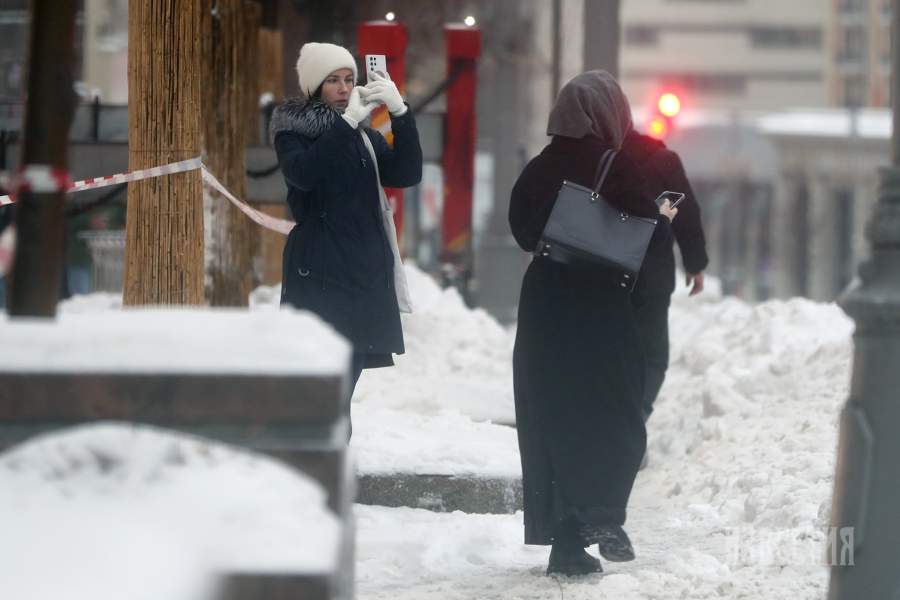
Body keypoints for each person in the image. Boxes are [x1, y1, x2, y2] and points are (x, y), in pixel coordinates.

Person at [509, 70, 679, 577]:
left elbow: (522, 231)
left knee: (553, 416)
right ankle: (601, 516)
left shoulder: (540, 166)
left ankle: (567, 546)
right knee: (613, 411)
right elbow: (643, 239)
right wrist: (661, 219)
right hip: (600, 304)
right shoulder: (617, 164)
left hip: (544, 303)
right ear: (609, 114)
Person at [270, 43, 422, 435]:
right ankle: (319, 460)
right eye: (333, 80)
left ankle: (332, 458)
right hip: (318, 270)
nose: (343, 88)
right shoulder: (293, 129)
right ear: (314, 85)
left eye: (349, 79)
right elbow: (304, 174)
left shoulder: (362, 135)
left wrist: (400, 113)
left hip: (362, 271)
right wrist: (348, 122)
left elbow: (406, 173)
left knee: (345, 383)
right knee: (322, 384)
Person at [621, 130, 708, 421]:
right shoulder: (664, 161)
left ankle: (615, 417)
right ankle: (636, 416)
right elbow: (687, 212)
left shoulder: (604, 159)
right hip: (653, 274)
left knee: (614, 350)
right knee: (652, 356)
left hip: (609, 271)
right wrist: (695, 263)